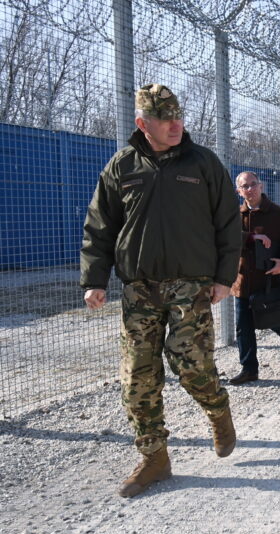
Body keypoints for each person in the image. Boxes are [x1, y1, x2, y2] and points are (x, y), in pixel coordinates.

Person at [80, 84, 241, 498]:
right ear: (142, 123)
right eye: (165, 119)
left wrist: (225, 276)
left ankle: (217, 410)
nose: (175, 125)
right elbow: (100, 226)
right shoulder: (122, 166)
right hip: (138, 287)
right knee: (137, 375)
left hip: (191, 284)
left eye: (178, 117)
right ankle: (155, 458)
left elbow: (228, 223)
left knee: (189, 362)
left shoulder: (203, 163)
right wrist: (94, 279)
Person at [228, 171, 280, 385]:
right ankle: (249, 369)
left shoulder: (277, 214)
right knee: (244, 326)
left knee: (276, 321)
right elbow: (226, 237)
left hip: (269, 281)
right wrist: (251, 237)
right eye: (245, 186)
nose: (250, 189)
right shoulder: (236, 215)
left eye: (254, 184)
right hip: (242, 282)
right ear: (239, 191)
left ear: (261, 186)